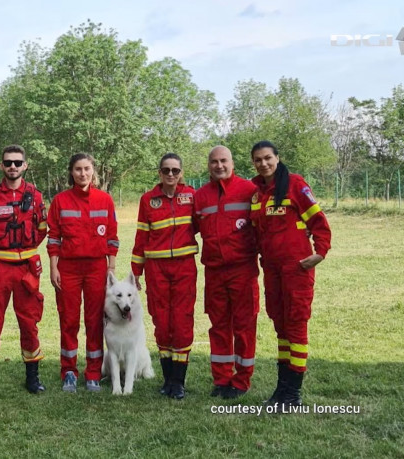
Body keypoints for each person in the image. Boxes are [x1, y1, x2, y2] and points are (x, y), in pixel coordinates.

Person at [249, 140, 331, 410]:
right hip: (271, 269)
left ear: (277, 158)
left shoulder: (295, 184)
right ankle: (282, 390)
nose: (264, 163)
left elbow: (318, 221)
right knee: (280, 326)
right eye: (258, 160)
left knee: (295, 326)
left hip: (296, 269)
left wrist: (320, 252)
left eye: (268, 158)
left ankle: (293, 394)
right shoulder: (257, 192)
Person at [0, 145, 48, 394]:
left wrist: (24, 252)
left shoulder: (36, 196)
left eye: (17, 162)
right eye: (8, 163)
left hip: (26, 268)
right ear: (1, 166)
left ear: (25, 165)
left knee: (29, 322)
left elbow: (42, 229)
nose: (12, 166)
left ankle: (32, 377)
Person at [47, 153, 119, 393]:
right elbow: (54, 237)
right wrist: (53, 266)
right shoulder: (60, 201)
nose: (82, 173)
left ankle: (93, 373)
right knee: (68, 320)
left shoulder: (105, 200)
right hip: (68, 268)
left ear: (93, 171)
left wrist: (111, 267)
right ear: (71, 172)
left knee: (95, 321)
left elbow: (112, 237)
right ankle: (69, 371)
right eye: (78, 169)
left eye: (86, 168)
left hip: (97, 268)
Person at [130, 153, 198, 400]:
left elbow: (206, 225)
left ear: (181, 173)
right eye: (166, 170)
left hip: (184, 267)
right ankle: (167, 378)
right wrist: (135, 271)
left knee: (181, 321)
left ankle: (178, 382)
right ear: (159, 173)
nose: (171, 174)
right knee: (161, 321)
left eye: (175, 170)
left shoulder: (192, 196)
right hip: (156, 269)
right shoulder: (148, 200)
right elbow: (141, 238)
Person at [194, 146, 260, 399]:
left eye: (223, 161)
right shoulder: (201, 196)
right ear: (208, 165)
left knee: (244, 327)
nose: (219, 166)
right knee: (219, 326)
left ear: (232, 163)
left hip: (242, 270)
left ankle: (242, 380)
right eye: (214, 162)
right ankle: (221, 379)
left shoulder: (249, 191)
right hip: (214, 272)